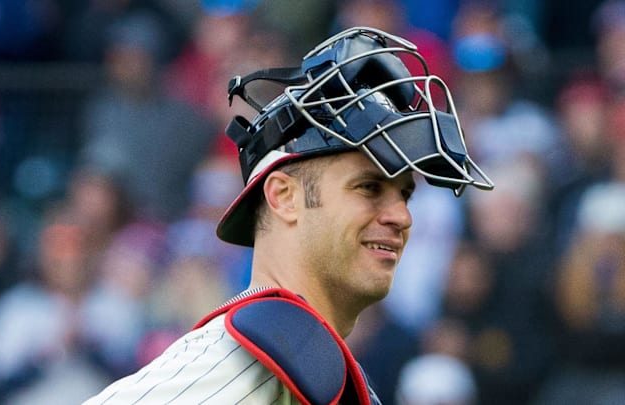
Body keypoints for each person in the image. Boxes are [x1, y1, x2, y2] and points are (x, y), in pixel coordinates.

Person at [84, 26, 493, 404]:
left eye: (405, 194)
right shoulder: (243, 363)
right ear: (283, 196)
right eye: (369, 187)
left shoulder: (307, 365)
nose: (402, 217)